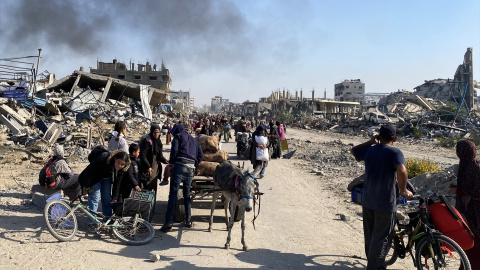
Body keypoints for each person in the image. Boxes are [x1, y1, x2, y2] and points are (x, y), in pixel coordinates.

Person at [350, 124, 413, 270]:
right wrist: (403, 191)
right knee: (382, 237)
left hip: (368, 200)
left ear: (379, 136)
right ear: (395, 138)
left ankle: (372, 263)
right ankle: (375, 267)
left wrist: (370, 142)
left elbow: (353, 150)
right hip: (385, 203)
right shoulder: (395, 152)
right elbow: (402, 170)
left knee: (371, 235)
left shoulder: (370, 150)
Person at [160, 124, 204, 232]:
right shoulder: (195, 140)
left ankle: (168, 222)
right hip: (191, 168)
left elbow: (174, 151)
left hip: (180, 166)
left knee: (173, 194)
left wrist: (171, 164)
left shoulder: (177, 137)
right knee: (187, 194)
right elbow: (201, 156)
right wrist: (194, 164)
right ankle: (188, 220)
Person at [452, 140, 480, 269]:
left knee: (475, 243)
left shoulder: (474, 168)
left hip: (475, 213)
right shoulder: (465, 166)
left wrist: (460, 191)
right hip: (467, 211)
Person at [79, 149, 130, 217]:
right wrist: (86, 186)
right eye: (118, 162)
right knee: (94, 198)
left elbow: (118, 182)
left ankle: (107, 219)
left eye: (122, 164)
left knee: (107, 199)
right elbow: (90, 171)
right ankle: (92, 221)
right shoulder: (103, 158)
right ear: (115, 158)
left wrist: (114, 197)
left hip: (107, 178)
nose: (119, 165)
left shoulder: (123, 168)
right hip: (94, 179)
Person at [139, 124, 169, 193]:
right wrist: (148, 167)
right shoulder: (147, 141)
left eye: (158, 132)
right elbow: (142, 155)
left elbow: (159, 156)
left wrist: (165, 161)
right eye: (155, 132)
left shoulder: (158, 142)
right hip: (148, 168)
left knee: (153, 187)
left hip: (155, 169)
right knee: (147, 186)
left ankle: (152, 203)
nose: (156, 134)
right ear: (152, 132)